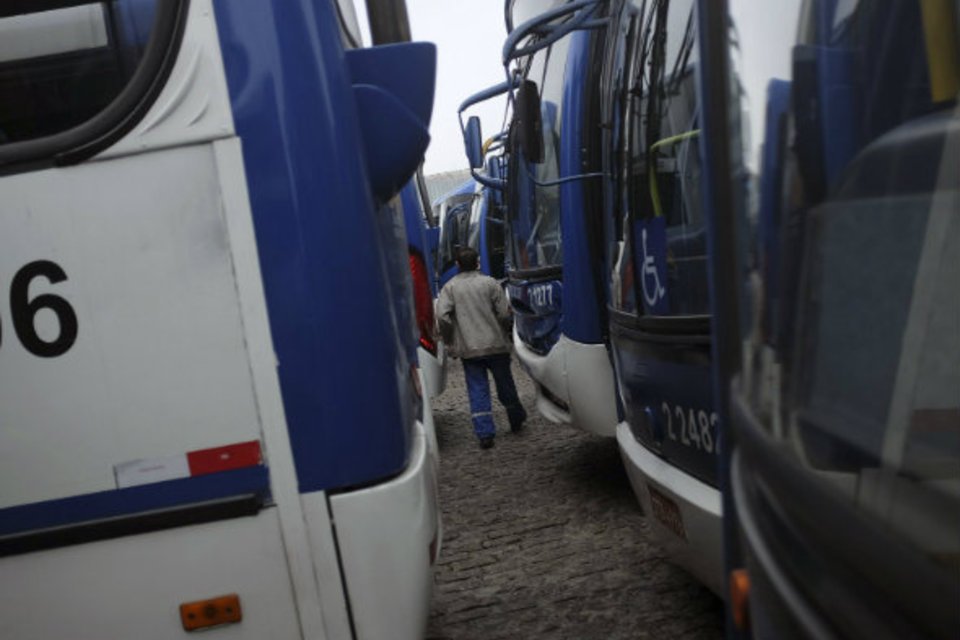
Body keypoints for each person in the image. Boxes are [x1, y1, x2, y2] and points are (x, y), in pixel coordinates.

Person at [436, 247, 526, 449]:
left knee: (477, 389)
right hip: (496, 344)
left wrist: (450, 340)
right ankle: (516, 417)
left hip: (470, 348)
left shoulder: (450, 288)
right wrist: (505, 330)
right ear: (478, 262)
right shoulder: (490, 283)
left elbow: (442, 316)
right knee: (506, 384)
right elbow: (504, 314)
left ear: (457, 265)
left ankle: (485, 433)